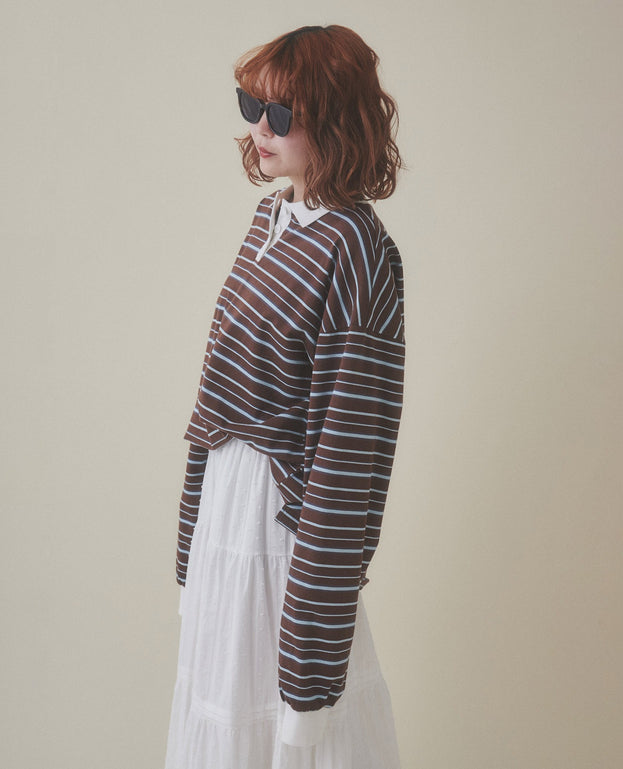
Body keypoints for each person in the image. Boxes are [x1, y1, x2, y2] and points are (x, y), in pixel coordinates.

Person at [164, 24, 405, 769]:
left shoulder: (356, 249)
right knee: (225, 719)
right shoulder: (269, 218)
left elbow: (347, 452)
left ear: (335, 121)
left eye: (281, 113)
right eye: (251, 105)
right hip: (227, 520)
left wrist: (311, 666)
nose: (259, 129)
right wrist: (191, 546)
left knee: (289, 735)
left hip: (281, 534)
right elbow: (215, 399)